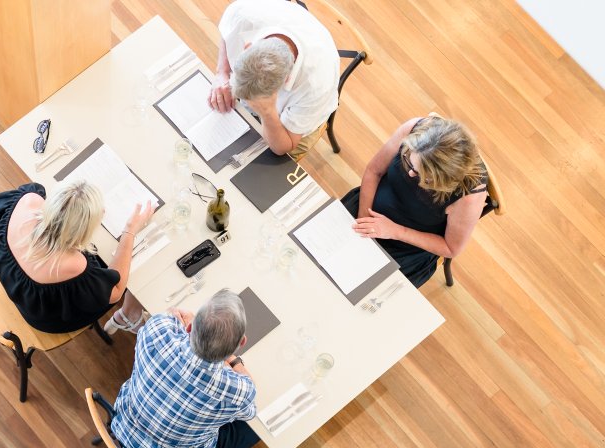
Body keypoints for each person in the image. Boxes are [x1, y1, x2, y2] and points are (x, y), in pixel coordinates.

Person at [111, 290, 260, 448]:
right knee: (254, 429)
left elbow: (171, 314)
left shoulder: (157, 329)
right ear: (242, 343)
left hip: (123, 422)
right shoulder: (237, 391)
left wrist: (189, 323)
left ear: (190, 328)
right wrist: (233, 360)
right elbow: (249, 407)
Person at [0, 180, 154, 334]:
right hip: (47, 317)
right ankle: (130, 314)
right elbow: (115, 291)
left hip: (13, 284)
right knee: (130, 263)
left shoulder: (28, 200)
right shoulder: (74, 265)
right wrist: (130, 230)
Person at [343, 116, 488, 287]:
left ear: (444, 182)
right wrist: (363, 221)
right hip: (366, 208)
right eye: (409, 162)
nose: (410, 174)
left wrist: (395, 231)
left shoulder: (469, 196)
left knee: (360, 293)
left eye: (423, 177)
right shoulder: (415, 129)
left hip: (407, 247)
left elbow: (451, 248)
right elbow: (374, 171)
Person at [208, 0, 339, 159]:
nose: (243, 100)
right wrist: (222, 72)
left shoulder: (316, 85)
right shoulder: (244, 13)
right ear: (248, 47)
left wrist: (268, 112)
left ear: (286, 80)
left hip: (295, 126)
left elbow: (283, 146)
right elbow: (227, 30)